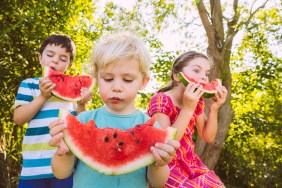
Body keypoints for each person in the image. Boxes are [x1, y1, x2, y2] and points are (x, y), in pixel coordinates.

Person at [48, 32, 180, 188]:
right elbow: (61, 173)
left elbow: (157, 183)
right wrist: (64, 153)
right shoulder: (82, 120)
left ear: (143, 82)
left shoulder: (151, 127)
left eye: (127, 79)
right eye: (108, 79)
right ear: (97, 78)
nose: (117, 87)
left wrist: (159, 164)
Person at [12, 34, 92, 188]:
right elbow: (19, 118)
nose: (55, 60)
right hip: (33, 168)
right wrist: (43, 96)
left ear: (68, 66)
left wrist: (81, 104)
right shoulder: (29, 84)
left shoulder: (73, 92)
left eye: (63, 59)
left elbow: (82, 128)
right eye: (50, 55)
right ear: (40, 57)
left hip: (66, 166)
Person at [147, 51, 227, 188]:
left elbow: (208, 137)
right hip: (166, 165)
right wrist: (188, 109)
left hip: (190, 162)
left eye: (207, 74)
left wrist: (214, 109)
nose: (203, 77)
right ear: (177, 76)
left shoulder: (197, 101)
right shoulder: (162, 99)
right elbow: (165, 143)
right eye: (196, 70)